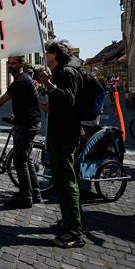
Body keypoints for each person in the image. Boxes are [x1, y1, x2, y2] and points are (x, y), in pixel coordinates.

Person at [0, 56, 42, 208]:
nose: (10, 65)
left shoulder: (20, 81)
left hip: (26, 125)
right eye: (9, 63)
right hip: (27, 121)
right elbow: (27, 103)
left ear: (21, 64)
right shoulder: (23, 79)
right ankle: (35, 193)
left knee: (19, 162)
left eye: (14, 63)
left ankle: (25, 197)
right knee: (26, 159)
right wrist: (16, 116)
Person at [38, 39, 85, 248]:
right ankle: (68, 221)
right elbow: (62, 102)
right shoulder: (59, 73)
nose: (44, 55)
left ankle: (75, 232)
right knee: (62, 181)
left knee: (67, 183)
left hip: (65, 135)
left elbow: (69, 100)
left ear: (54, 55)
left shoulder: (66, 72)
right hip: (59, 133)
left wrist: (48, 85)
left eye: (46, 52)